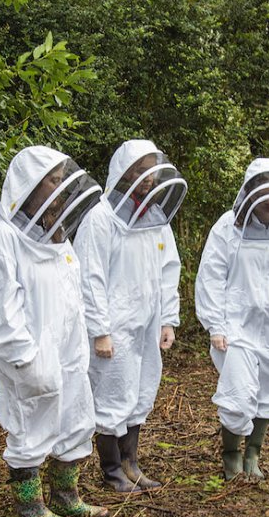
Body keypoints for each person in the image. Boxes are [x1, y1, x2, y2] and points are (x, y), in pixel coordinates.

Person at [0, 145, 107, 517]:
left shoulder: (58, 237)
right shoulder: (5, 238)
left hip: (67, 352)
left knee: (76, 418)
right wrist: (25, 358)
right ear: (31, 186)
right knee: (30, 425)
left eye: (62, 180)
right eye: (53, 180)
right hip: (30, 354)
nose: (61, 189)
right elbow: (0, 309)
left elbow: (72, 298)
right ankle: (29, 507)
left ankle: (66, 496)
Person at [74, 139, 186, 492]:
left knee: (140, 391)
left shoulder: (156, 217)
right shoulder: (100, 218)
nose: (146, 178)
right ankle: (111, 471)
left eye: (150, 170)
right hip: (115, 325)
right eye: (139, 170)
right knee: (111, 395)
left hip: (147, 323)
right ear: (122, 173)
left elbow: (170, 269)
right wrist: (100, 330)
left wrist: (168, 318)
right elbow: (89, 276)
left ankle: (131, 463)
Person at [195, 158, 269, 481]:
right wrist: (215, 324)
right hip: (237, 326)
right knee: (237, 395)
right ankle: (231, 453)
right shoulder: (228, 227)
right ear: (250, 191)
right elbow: (211, 276)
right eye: (264, 191)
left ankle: (253, 452)